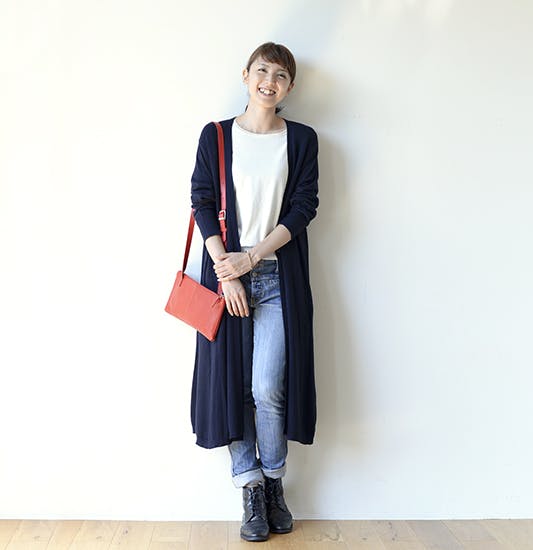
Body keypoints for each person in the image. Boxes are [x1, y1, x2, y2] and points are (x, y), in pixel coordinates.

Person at [189, 42, 319, 543]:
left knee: (267, 387)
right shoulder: (217, 136)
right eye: (262, 70)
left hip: (277, 277)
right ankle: (250, 489)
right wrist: (227, 271)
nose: (270, 81)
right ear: (246, 75)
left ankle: (273, 480)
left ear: (289, 87)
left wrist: (253, 258)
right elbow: (202, 200)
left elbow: (304, 207)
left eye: (281, 75)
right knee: (233, 388)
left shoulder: (302, 139)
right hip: (226, 276)